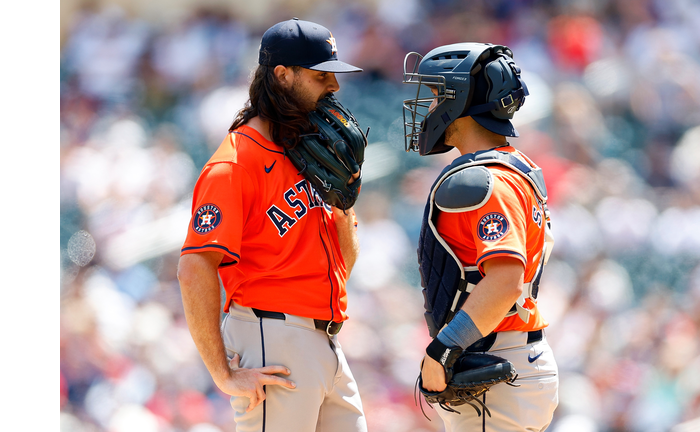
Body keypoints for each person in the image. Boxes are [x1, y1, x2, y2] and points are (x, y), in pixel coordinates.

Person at [177, 18, 367, 432]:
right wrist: (222, 374)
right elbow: (194, 267)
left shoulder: (311, 152)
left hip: (326, 339)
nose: (334, 86)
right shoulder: (235, 162)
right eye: (321, 76)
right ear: (282, 76)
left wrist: (344, 205)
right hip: (270, 338)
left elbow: (343, 265)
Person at [402, 43, 559, 431]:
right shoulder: (517, 167)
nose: (430, 104)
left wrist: (443, 349)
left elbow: (505, 281)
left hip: (493, 360)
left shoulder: (480, 181)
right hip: (509, 358)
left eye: (438, 94)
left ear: (460, 100)